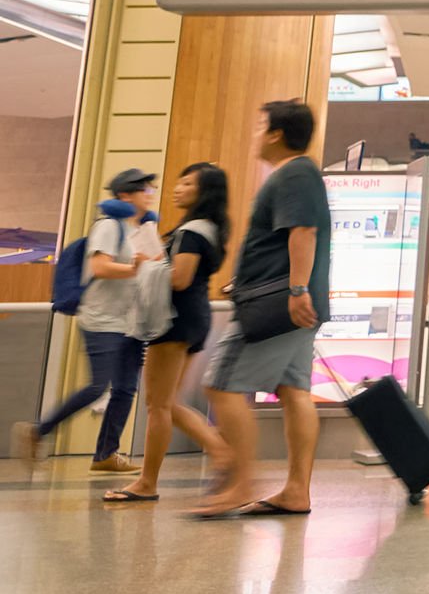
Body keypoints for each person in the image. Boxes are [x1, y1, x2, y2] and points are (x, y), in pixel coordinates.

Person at [194, 100, 332, 518]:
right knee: (294, 392)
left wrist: (295, 289)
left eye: (259, 126)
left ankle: (240, 485)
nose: (255, 134)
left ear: (275, 133)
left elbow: (303, 232)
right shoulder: (298, 174)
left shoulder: (294, 172)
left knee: (221, 385)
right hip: (291, 303)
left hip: (274, 307)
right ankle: (295, 490)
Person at [14, 168, 160, 474]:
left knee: (125, 389)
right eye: (143, 190)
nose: (149, 194)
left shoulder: (143, 230)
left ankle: (106, 454)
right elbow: (101, 267)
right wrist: (137, 268)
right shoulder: (109, 226)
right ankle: (38, 431)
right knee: (98, 386)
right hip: (102, 319)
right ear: (124, 195)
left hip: (130, 321)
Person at [109, 162, 235, 504]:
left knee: (157, 405)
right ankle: (221, 452)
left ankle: (149, 482)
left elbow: (179, 278)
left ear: (204, 191)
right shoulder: (209, 228)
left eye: (188, 183)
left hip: (175, 318)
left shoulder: (193, 231)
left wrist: (148, 264)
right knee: (167, 404)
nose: (178, 188)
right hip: (193, 317)